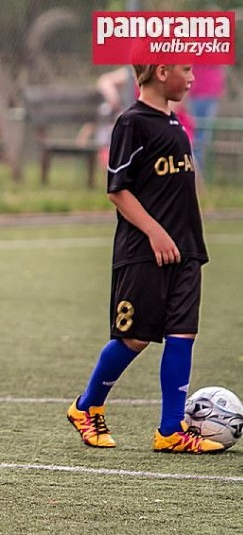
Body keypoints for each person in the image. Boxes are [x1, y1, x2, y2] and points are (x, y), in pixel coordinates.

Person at [67, 63, 224, 454]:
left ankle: (171, 431)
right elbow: (117, 189)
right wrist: (155, 232)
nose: (192, 78)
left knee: (183, 333)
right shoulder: (132, 122)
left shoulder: (176, 123)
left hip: (186, 248)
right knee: (134, 336)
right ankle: (87, 407)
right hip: (144, 251)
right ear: (160, 71)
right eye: (185, 70)